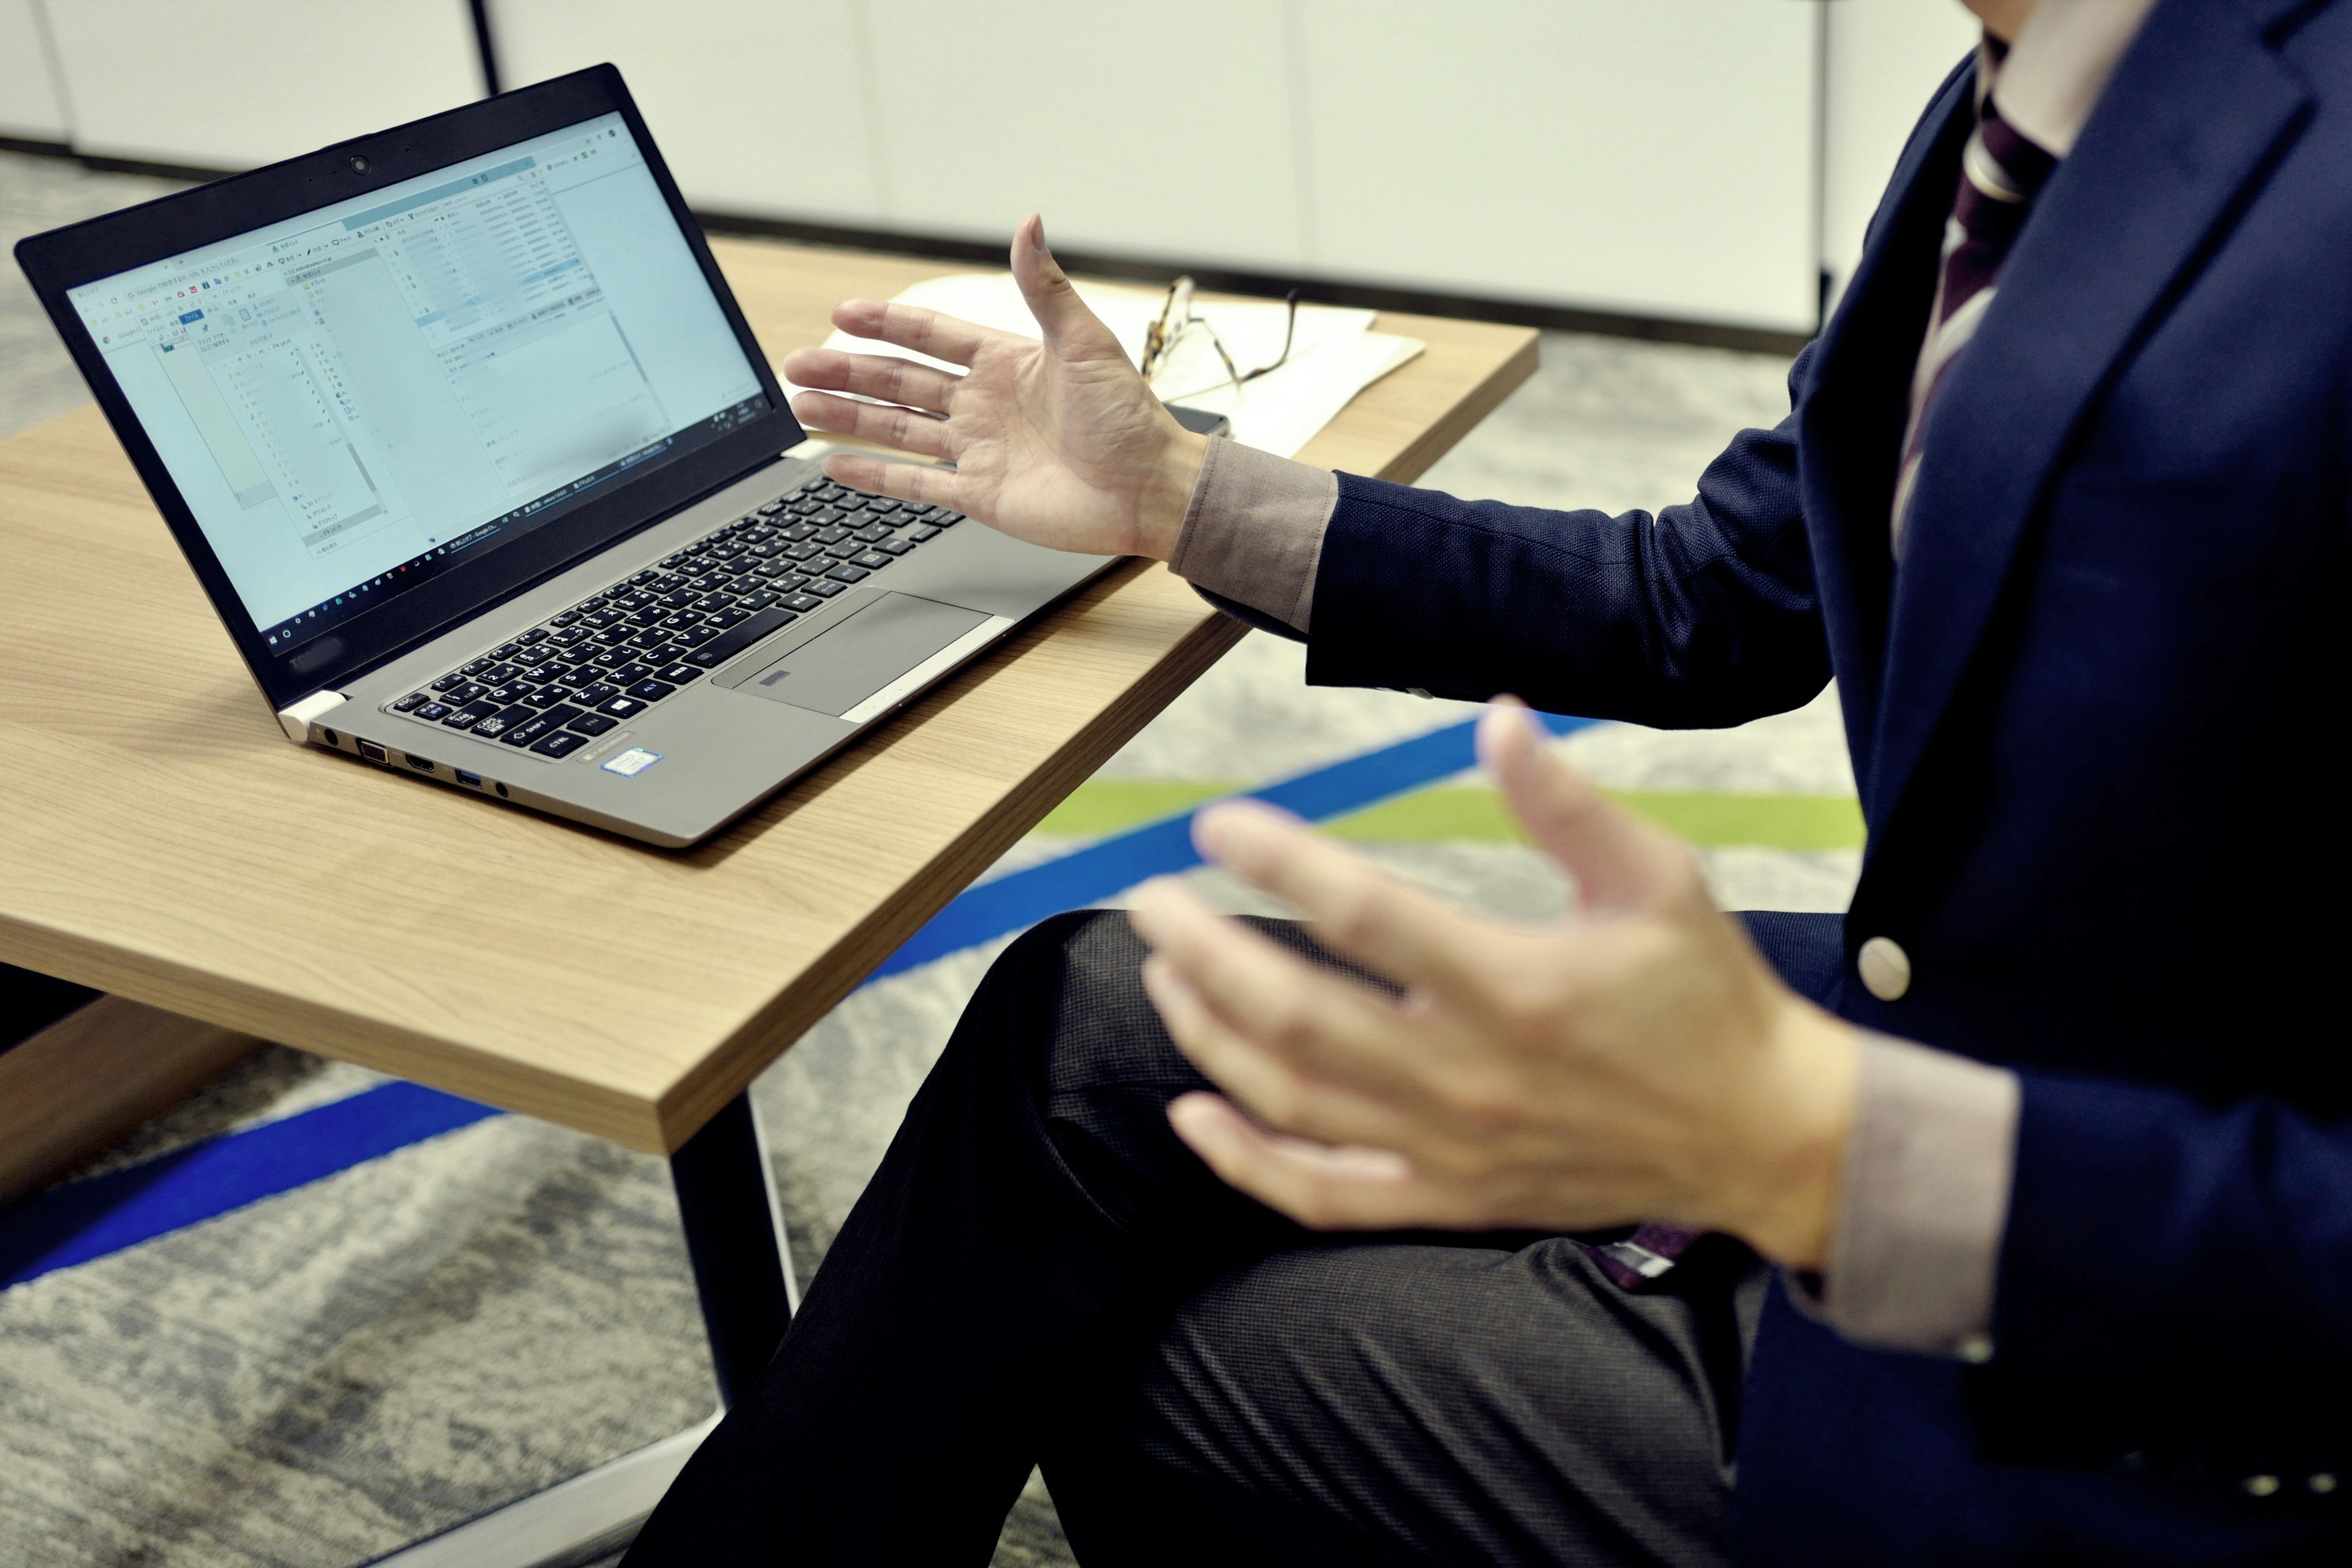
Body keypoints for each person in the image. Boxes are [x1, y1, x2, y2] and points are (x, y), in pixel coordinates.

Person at [624, 0, 2352, 1560]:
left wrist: (1840, 1152)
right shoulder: (2029, 89)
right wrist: (1177, 493)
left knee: (1144, 1366)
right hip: (1955, 1036)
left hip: (2139, 1354)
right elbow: (1717, 594)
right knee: (1085, 1025)